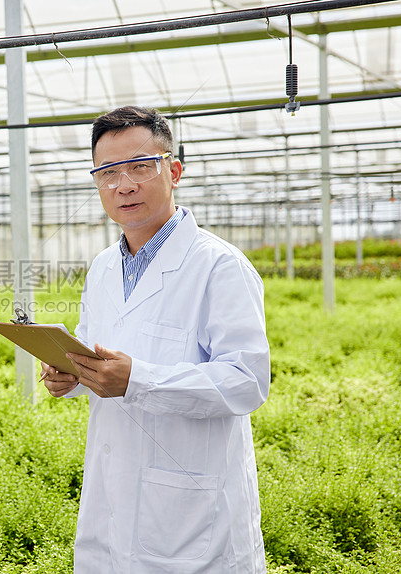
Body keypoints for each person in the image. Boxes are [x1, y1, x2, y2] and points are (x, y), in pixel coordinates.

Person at [41, 106, 270, 573]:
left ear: (175, 170)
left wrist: (137, 379)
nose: (123, 184)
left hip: (193, 516)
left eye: (141, 166)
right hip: (112, 503)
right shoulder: (103, 268)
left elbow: (246, 382)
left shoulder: (218, 266)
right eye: (108, 172)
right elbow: (97, 356)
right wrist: (72, 376)